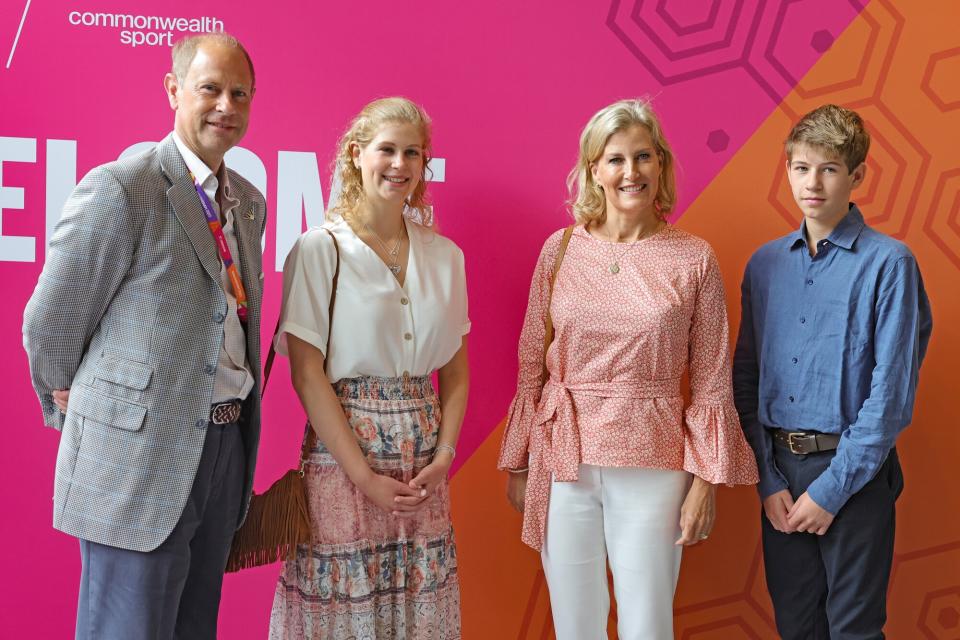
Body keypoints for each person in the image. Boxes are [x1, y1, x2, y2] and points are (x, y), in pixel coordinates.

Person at [21, 33, 265, 639]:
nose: (225, 106)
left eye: (240, 93)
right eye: (211, 88)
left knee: (192, 626)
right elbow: (50, 321)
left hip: (224, 444)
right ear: (174, 90)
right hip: (137, 452)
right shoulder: (123, 188)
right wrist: (75, 407)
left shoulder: (249, 204)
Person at [498, 98, 758, 639]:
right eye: (615, 159)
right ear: (594, 168)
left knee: (647, 626)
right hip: (562, 458)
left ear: (660, 164)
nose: (630, 172)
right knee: (575, 626)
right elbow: (531, 364)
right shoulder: (560, 249)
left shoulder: (693, 258)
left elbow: (712, 382)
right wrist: (520, 461)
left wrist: (705, 484)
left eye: (643, 157)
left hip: (652, 462)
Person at [269, 97, 469, 640]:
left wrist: (445, 454)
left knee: (415, 609)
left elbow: (454, 373)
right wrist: (363, 476)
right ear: (357, 155)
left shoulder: (446, 256)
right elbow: (306, 374)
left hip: (423, 463)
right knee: (344, 612)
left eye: (413, 153)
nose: (399, 164)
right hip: (344, 461)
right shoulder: (319, 248)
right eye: (387, 149)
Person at [733, 104, 932, 639]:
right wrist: (766, 480)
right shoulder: (765, 266)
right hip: (779, 473)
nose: (812, 183)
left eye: (828, 169)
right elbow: (746, 380)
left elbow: (890, 396)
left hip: (855, 471)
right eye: (801, 168)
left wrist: (832, 490)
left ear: (856, 176)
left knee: (854, 630)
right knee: (796, 626)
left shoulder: (890, 265)